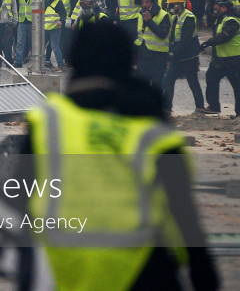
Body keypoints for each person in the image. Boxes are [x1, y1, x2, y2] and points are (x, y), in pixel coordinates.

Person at [18, 22, 219, 291]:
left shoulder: (47, 122)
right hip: (143, 269)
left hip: (61, 267)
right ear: (129, 60)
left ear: (74, 59)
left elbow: (18, 204)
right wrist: (203, 273)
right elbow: (181, 212)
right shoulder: (152, 130)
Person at [163, 0, 206, 115]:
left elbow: (186, 39)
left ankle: (200, 107)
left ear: (179, 4)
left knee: (193, 82)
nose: (170, 7)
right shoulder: (175, 17)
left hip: (189, 56)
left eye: (171, 5)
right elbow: (173, 37)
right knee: (169, 80)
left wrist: (173, 52)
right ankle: (167, 108)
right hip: (178, 55)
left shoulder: (189, 17)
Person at [201, 0, 240, 117]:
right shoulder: (222, 19)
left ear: (224, 8)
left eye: (216, 8)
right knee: (211, 78)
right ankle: (214, 106)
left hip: (234, 60)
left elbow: (225, 36)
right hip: (221, 59)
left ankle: (239, 114)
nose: (215, 10)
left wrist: (209, 42)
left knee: (237, 86)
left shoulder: (231, 20)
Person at [135, 0, 171, 91]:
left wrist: (150, 21)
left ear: (153, 3)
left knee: (156, 84)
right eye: (143, 2)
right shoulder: (141, 14)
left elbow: (163, 34)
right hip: (143, 53)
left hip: (158, 55)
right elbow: (139, 34)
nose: (144, 5)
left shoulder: (163, 15)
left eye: (147, 2)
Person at [44, 0, 66, 71]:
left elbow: (63, 13)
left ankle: (61, 65)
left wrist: (61, 20)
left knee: (55, 46)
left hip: (55, 28)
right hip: (45, 28)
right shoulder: (45, 0)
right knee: (40, 46)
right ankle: (40, 63)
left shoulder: (58, 1)